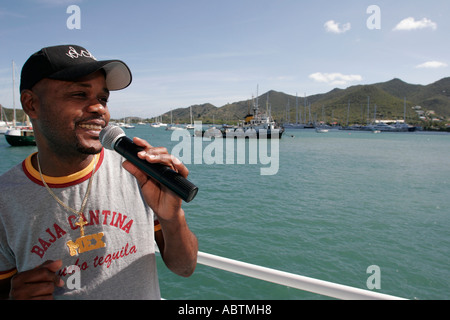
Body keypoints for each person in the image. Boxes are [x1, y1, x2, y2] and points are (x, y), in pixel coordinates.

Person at [0, 45, 198, 300]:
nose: (99, 109)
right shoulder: (5, 200)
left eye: (103, 99)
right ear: (31, 104)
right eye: (80, 94)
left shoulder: (136, 172)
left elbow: (185, 268)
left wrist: (173, 216)